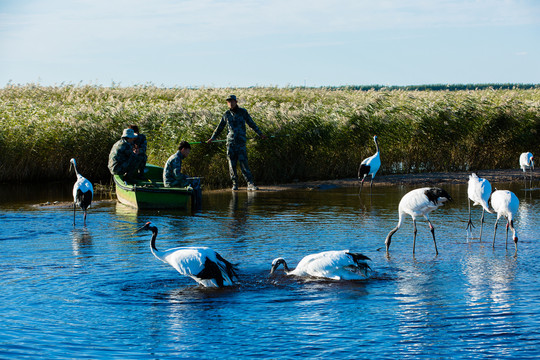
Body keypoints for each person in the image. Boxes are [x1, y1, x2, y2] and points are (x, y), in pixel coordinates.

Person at [207, 95, 266, 191]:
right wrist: (212, 138)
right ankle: (235, 184)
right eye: (228, 102)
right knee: (232, 164)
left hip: (241, 142)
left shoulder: (243, 112)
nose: (230, 103)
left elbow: (251, 123)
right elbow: (220, 128)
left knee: (243, 163)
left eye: (232, 101)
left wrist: (260, 134)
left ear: (236, 101)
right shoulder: (226, 114)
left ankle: (250, 183)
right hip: (230, 143)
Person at [163, 141, 202, 209]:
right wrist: (187, 177)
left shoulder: (176, 157)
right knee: (196, 182)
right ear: (183, 149)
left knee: (194, 180)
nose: (188, 153)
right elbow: (177, 176)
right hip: (171, 183)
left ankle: (195, 205)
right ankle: (197, 208)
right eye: (188, 151)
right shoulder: (176, 158)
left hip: (171, 181)